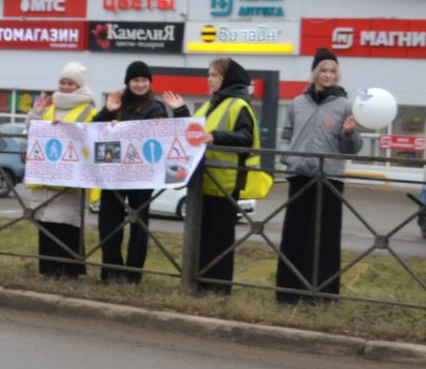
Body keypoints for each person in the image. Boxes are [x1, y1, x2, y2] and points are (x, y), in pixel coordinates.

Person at [163, 58, 262, 294]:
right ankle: (201, 283)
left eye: (214, 75)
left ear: (227, 79)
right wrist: (180, 111)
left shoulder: (239, 105)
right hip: (204, 182)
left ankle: (218, 289)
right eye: (208, 75)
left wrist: (216, 136)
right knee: (203, 238)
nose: (209, 79)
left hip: (225, 182)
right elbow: (194, 133)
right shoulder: (210, 105)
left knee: (219, 240)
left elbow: (245, 138)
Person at [276, 48, 364, 304]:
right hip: (299, 175)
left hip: (330, 179)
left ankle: (323, 296)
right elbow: (286, 135)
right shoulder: (296, 103)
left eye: (332, 71)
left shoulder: (345, 105)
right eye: (323, 70)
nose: (328, 75)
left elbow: (352, 149)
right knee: (294, 235)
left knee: (325, 238)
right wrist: (287, 157)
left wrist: (350, 134)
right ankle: (288, 294)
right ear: (315, 73)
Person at [91, 59, 168, 283]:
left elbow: (159, 134)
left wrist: (124, 128)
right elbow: (94, 128)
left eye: (144, 80)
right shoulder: (117, 103)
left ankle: (133, 276)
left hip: (141, 175)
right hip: (113, 173)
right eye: (135, 80)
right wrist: (108, 112)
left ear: (150, 82)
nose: (140, 84)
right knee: (108, 224)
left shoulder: (156, 107)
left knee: (139, 226)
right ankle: (111, 273)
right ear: (128, 82)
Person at [27, 61, 97, 277]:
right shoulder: (51, 107)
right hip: (45, 177)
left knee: (67, 226)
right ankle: (48, 270)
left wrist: (67, 130)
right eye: (63, 82)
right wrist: (36, 114)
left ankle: (69, 271)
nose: (66, 87)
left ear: (79, 86)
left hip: (69, 180)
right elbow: (32, 134)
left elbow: (93, 136)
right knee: (46, 225)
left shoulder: (88, 108)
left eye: (71, 83)